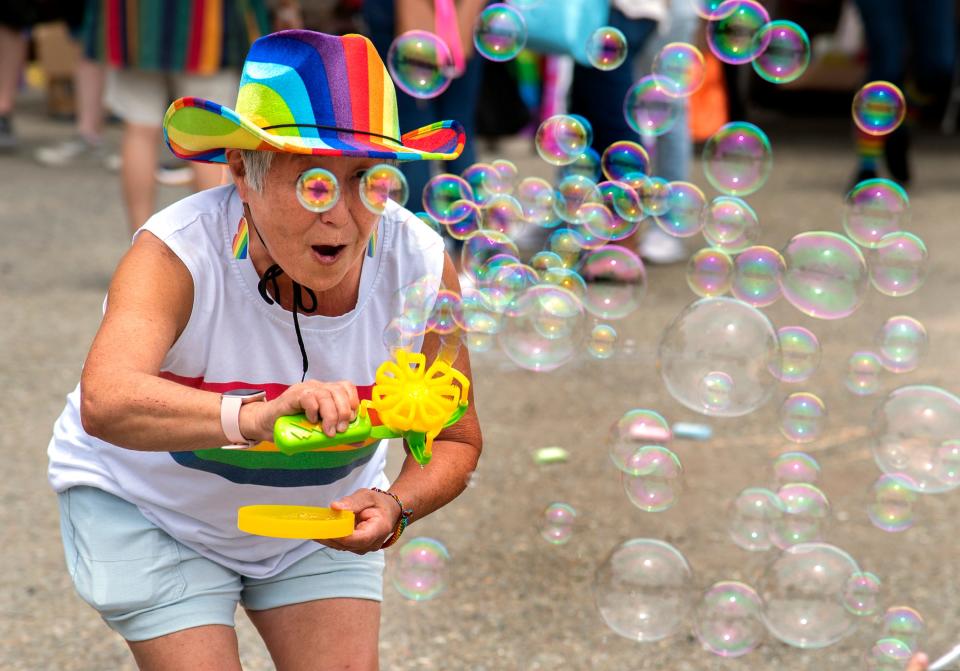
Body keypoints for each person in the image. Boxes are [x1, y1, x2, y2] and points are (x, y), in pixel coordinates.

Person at [47, 29, 482, 670]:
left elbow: (455, 437)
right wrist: (257, 416)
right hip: (151, 508)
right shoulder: (177, 252)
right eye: (312, 182)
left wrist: (395, 505)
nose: (340, 211)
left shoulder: (416, 260)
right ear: (241, 177)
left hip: (317, 519)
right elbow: (107, 399)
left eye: (366, 179)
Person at [78, 0, 280, 233]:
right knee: (208, 133)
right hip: (202, 23)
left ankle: (141, 246)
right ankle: (219, 249)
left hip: (137, 21)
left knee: (140, 130)